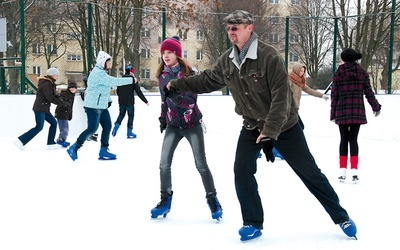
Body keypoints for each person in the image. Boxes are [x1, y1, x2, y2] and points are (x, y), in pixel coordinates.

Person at [166, 10, 357, 241]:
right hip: (251, 124)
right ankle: (252, 223)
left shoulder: (269, 57)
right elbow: (208, 79)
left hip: (284, 126)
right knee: (242, 170)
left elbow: (282, 98)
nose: (231, 32)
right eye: (228, 28)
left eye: (235, 27)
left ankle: (341, 217)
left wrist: (270, 132)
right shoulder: (228, 59)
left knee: (309, 173)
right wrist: (178, 84)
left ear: (250, 28)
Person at [150, 36, 223, 221]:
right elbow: (163, 100)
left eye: (169, 52)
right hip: (173, 125)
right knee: (164, 164)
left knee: (201, 164)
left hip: (192, 125)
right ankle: (165, 200)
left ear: (177, 54)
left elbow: (191, 102)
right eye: (163, 52)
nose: (166, 56)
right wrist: (162, 117)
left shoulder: (190, 74)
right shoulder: (162, 76)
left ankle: (213, 200)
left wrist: (176, 99)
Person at [66, 51, 133, 161]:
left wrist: (108, 99)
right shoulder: (98, 73)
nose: (110, 64)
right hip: (93, 106)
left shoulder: (102, 73)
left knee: (107, 126)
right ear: (103, 62)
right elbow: (112, 81)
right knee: (92, 128)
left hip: (101, 106)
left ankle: (104, 150)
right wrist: (130, 80)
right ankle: (74, 147)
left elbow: (104, 88)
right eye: (108, 62)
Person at [330, 48, 381, 182]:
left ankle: (342, 171)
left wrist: (333, 113)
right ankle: (354, 171)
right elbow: (369, 92)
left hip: (342, 110)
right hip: (357, 110)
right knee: (353, 140)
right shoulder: (362, 73)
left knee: (343, 139)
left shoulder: (338, 73)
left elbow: (334, 95)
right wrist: (376, 107)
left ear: (343, 58)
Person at [13, 68, 69, 150]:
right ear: (52, 75)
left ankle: (50, 143)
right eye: (56, 75)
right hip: (40, 108)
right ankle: (20, 140)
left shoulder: (50, 83)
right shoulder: (46, 84)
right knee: (39, 127)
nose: (57, 76)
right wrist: (62, 103)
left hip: (44, 108)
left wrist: (60, 98)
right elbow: (50, 98)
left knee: (53, 123)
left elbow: (53, 95)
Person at [111, 66, 149, 139]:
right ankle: (129, 132)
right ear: (132, 72)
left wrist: (121, 98)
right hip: (130, 102)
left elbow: (118, 91)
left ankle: (116, 126)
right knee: (130, 116)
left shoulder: (121, 79)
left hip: (122, 101)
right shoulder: (133, 80)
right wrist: (145, 101)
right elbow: (138, 91)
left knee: (121, 115)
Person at [289, 62, 329, 129]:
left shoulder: (300, 81)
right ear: (296, 70)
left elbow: (309, 90)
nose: (302, 73)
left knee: (299, 127)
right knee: (299, 127)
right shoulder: (290, 80)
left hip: (295, 109)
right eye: (301, 71)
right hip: (289, 109)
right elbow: (285, 92)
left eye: (303, 71)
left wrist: (322, 95)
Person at [55, 81, 77, 147]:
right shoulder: (65, 94)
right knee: (64, 129)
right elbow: (62, 100)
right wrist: (64, 103)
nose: (73, 89)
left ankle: (62, 139)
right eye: (71, 88)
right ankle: (61, 140)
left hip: (65, 114)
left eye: (74, 88)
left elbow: (70, 107)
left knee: (65, 128)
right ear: (69, 88)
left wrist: (70, 115)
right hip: (61, 114)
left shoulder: (72, 96)